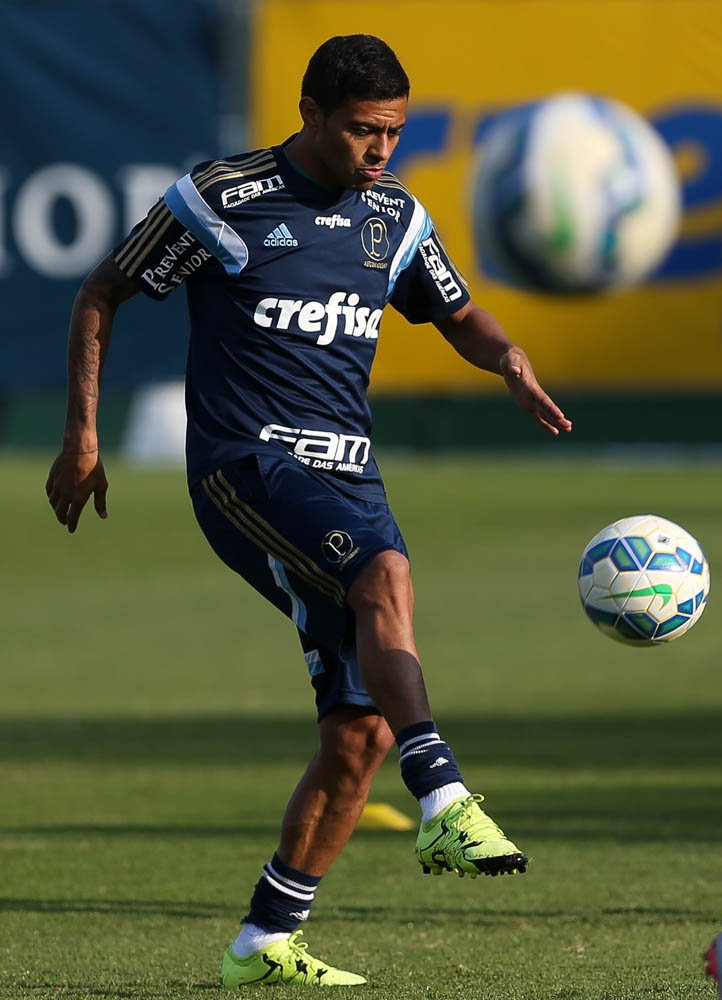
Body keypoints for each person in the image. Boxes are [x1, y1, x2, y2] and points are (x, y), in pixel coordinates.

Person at [46, 34, 572, 988]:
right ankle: (445, 795)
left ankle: (264, 940)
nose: (382, 151)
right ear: (310, 116)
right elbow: (102, 290)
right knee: (388, 575)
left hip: (349, 476)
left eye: (396, 132)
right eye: (365, 132)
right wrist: (83, 435)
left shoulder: (394, 217)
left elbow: (455, 313)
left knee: (360, 729)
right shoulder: (222, 199)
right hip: (245, 470)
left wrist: (506, 357)